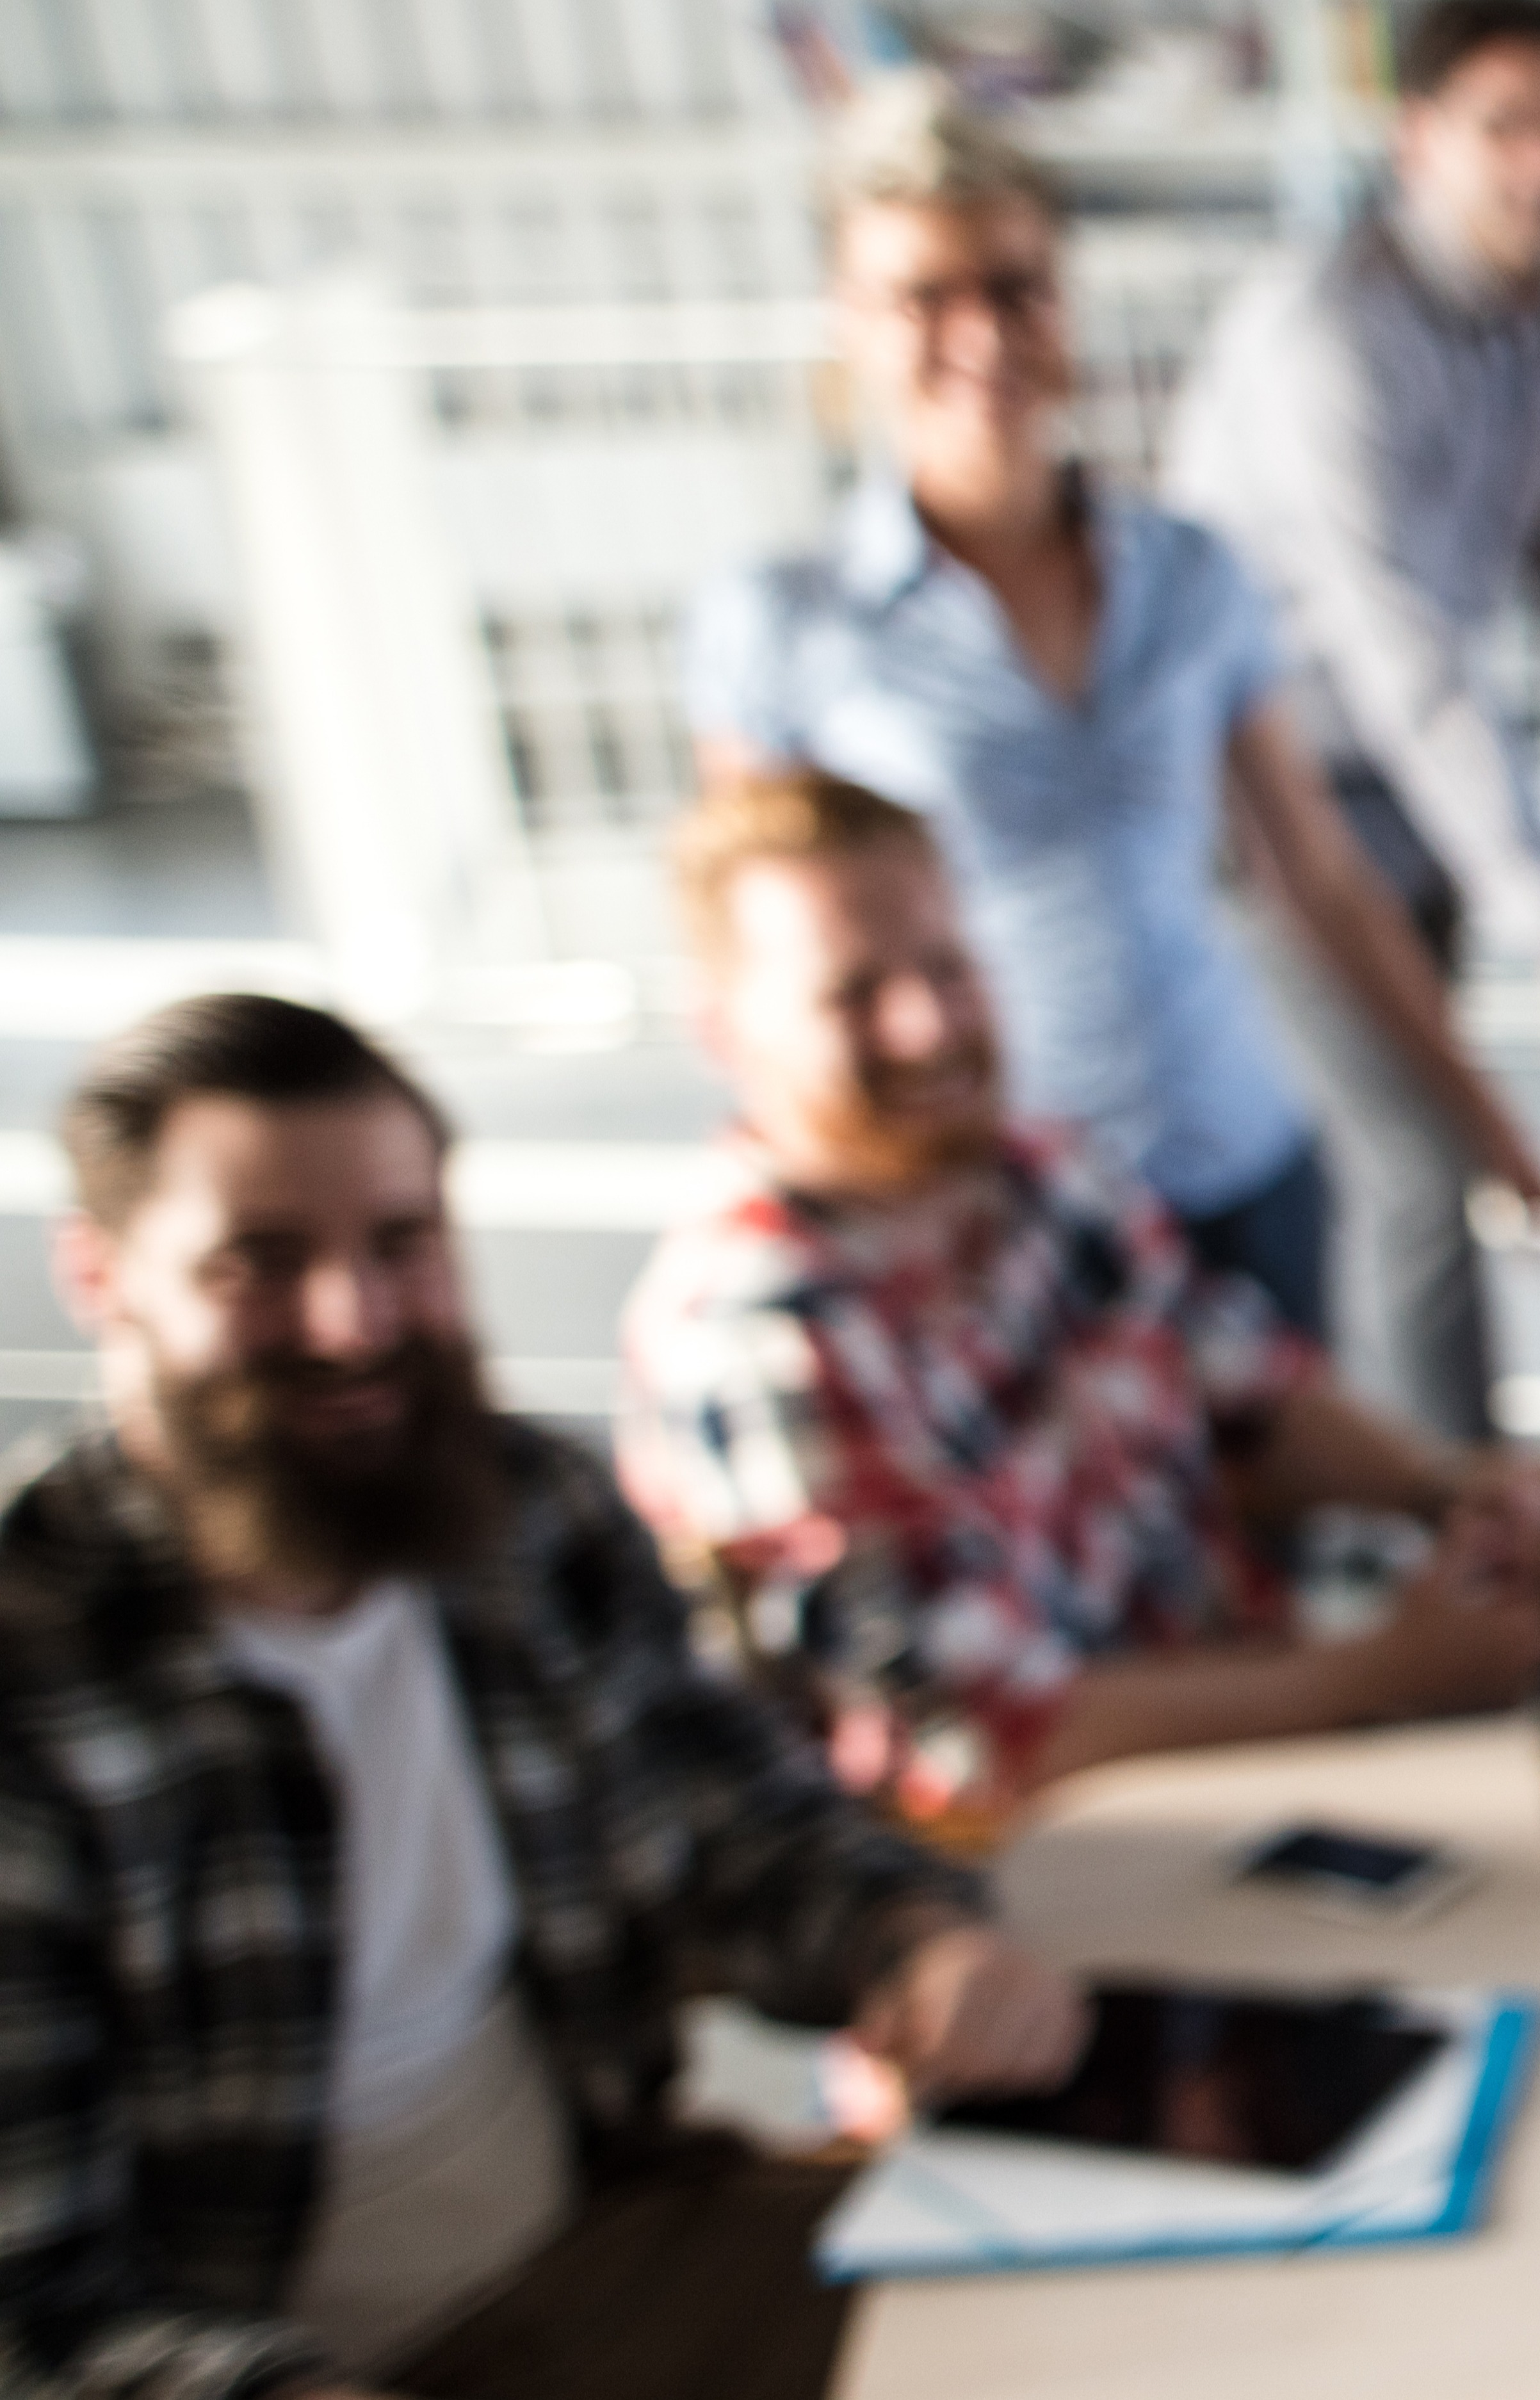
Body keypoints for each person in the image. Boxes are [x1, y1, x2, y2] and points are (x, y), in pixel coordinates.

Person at [4, 993, 1082, 2400]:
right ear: (99, 1276)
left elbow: (752, 1827)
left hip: (609, 2247)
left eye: (402, 1245)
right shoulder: (31, 1678)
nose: (353, 1323)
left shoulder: (531, 1516)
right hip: (264, 2359)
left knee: (1133, 2306)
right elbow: (36, 2311)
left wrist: (920, 1942)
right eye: (260, 1266)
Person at [687, 86, 1540, 1349]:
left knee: (1295, 1524)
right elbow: (758, 970)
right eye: (922, 298)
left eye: (1015, 286)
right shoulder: (786, 624)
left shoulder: (1190, 572)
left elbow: (1318, 878)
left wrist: (1490, 1130)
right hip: (993, 1208)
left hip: (1239, 1160)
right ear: (849, 322)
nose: (981, 334)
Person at [616, 775, 1540, 1835]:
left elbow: (1254, 1397)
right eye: (854, 993)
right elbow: (990, 1740)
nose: (928, 1026)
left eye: (947, 966)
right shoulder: (758, 1337)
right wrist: (1386, 1674)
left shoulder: (1040, 1172)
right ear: (723, 1032)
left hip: (1251, 1750)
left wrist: (1449, 1494)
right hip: (1065, 1868)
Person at [1167, 0, 1540, 1445]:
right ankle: (1453, 1535)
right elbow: (1409, 662)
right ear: (1415, 137)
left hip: (1408, 784)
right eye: (1505, 125)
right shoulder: (1322, 335)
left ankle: (1469, 1492)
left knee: (1447, 1151)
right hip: (1274, 797)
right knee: (1416, 1161)